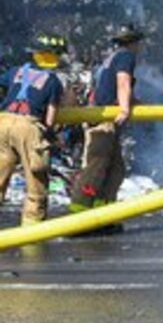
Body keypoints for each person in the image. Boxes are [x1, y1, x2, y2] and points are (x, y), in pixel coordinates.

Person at [69, 23, 144, 214]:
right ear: (134, 42)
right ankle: (80, 211)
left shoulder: (112, 58)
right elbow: (122, 81)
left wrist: (135, 102)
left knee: (116, 169)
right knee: (97, 164)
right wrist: (125, 109)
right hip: (105, 118)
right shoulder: (126, 56)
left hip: (104, 114)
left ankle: (104, 213)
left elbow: (108, 86)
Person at [0, 33, 67, 224]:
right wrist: (50, 135)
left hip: (3, 122)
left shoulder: (16, 71)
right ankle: (32, 231)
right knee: (36, 179)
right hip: (28, 126)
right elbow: (51, 114)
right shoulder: (53, 80)